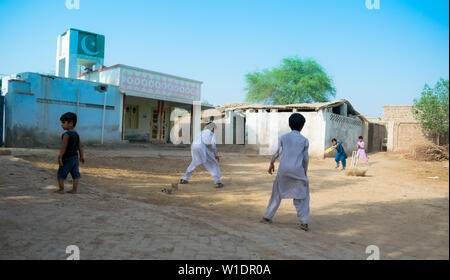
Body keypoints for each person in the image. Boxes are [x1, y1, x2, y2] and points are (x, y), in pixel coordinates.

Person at [260, 113, 310, 231]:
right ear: (302, 126)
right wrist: (305, 172)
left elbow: (276, 152)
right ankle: (304, 222)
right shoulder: (304, 140)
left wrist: (271, 163)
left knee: (276, 192)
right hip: (298, 170)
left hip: (283, 170)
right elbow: (305, 159)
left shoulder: (283, 137)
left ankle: (267, 217)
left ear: (289, 124)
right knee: (303, 195)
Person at [180, 122, 223, 188]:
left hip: (193, 146)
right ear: (212, 128)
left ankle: (184, 179)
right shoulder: (211, 133)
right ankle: (217, 182)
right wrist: (216, 155)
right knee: (214, 162)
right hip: (201, 147)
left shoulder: (201, 132)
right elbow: (213, 146)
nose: (214, 130)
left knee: (194, 162)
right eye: (214, 128)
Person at [55, 112, 84, 194]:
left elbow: (63, 148)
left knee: (61, 174)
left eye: (63, 122)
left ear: (70, 123)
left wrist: (60, 157)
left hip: (67, 158)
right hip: (75, 158)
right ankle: (74, 190)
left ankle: (61, 189)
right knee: (75, 174)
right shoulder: (76, 134)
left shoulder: (66, 135)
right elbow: (80, 146)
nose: (61, 125)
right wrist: (81, 156)